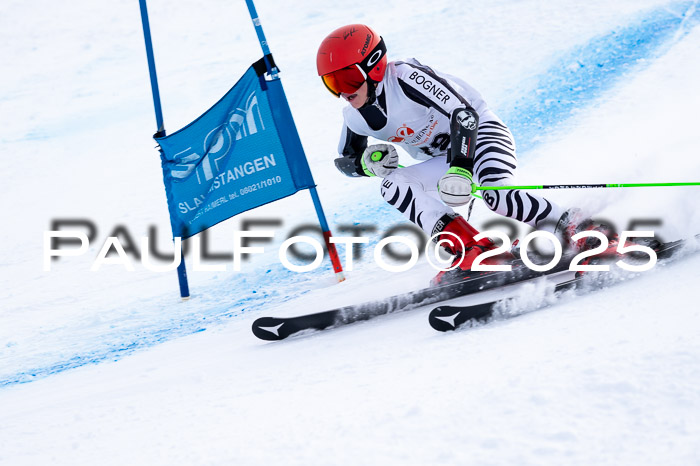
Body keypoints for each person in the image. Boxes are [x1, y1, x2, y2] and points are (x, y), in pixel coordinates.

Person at [316, 24, 608, 285]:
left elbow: (464, 114)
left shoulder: (405, 77)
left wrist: (461, 167)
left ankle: (580, 230)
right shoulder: (355, 117)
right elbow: (345, 162)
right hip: (447, 160)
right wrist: (366, 164)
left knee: (498, 196)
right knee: (392, 184)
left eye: (347, 79)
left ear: (374, 66)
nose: (343, 92)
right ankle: (473, 248)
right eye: (332, 84)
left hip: (481, 135)